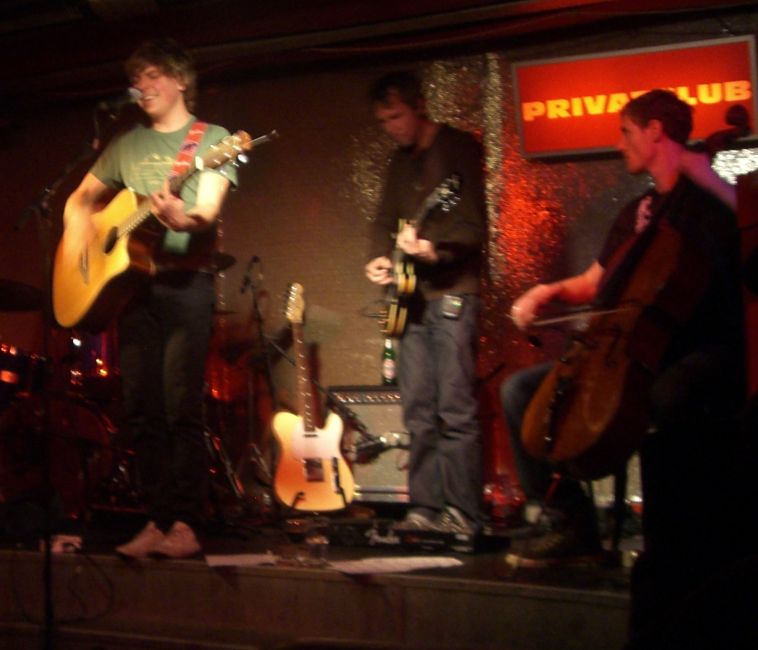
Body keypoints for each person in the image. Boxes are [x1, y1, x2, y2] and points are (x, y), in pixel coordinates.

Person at [500, 89, 748, 645]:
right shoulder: (636, 211)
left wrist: (706, 174)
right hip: (628, 348)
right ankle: (569, 523)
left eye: (626, 132)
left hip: (695, 349)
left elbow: (740, 230)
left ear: (656, 131)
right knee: (520, 393)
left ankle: (681, 535)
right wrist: (545, 292)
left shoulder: (708, 203)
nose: (619, 145)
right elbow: (596, 281)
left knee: (666, 399)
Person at [62, 38, 237, 558]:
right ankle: (157, 520)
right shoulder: (126, 143)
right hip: (133, 290)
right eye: (137, 78)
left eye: (154, 74)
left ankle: (186, 523)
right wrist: (84, 243)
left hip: (186, 285)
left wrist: (185, 217)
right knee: (140, 409)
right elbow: (78, 201)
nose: (142, 85)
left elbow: (206, 209)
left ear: (181, 80)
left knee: (181, 405)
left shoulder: (214, 140)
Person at [364, 70, 487, 537]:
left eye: (396, 116)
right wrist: (379, 257)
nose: (391, 128)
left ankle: (463, 512)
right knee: (417, 409)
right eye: (383, 121)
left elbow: (472, 226)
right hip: (408, 297)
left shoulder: (457, 148)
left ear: (419, 106)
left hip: (452, 292)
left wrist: (433, 251)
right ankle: (425, 507)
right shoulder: (398, 162)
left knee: (454, 407)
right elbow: (383, 220)